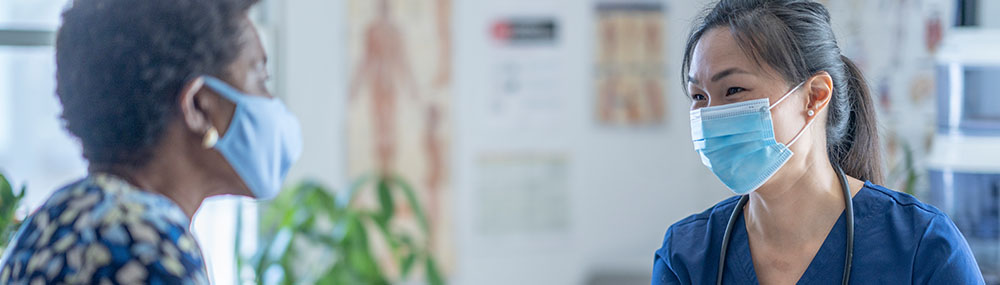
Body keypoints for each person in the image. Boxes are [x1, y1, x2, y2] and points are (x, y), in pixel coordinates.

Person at [652, 0, 984, 284]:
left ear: (814, 96)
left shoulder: (922, 245)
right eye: (699, 96)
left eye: (734, 91)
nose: (711, 115)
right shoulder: (686, 255)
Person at [0, 0, 302, 283]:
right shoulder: (143, 245)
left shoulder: (50, 223)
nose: (271, 102)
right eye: (261, 78)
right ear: (198, 107)